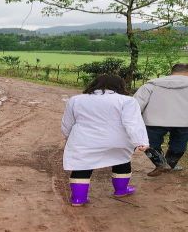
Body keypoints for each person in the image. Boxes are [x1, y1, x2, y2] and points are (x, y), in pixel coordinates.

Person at [61, 75, 149, 206]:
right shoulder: (127, 101)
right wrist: (140, 141)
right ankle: (121, 190)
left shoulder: (76, 100)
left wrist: (68, 136)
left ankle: (78, 199)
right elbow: (133, 123)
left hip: (85, 140)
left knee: (82, 166)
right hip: (117, 140)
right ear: (120, 85)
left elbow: (67, 123)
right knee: (122, 160)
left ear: (94, 84)